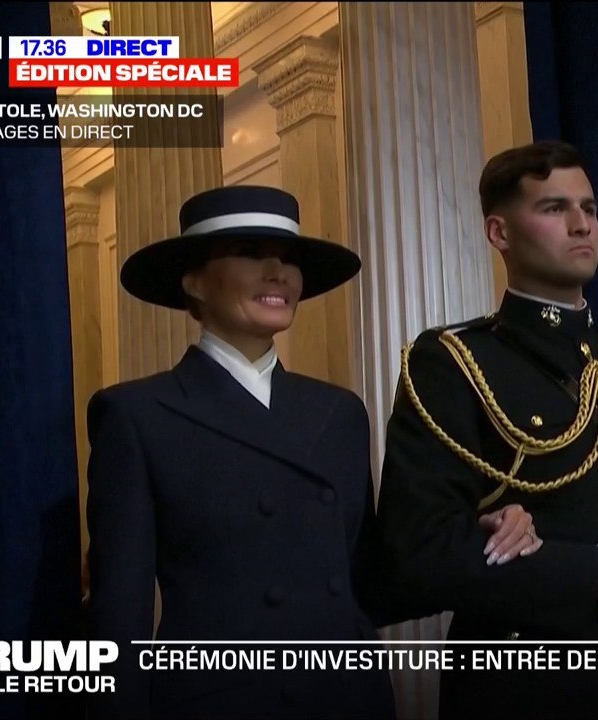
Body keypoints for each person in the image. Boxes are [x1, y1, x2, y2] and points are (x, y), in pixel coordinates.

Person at [84, 185, 542, 720]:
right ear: (193, 280)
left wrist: (471, 535)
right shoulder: (137, 414)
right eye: (251, 253)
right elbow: (119, 623)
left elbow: (372, 581)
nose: (278, 272)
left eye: (290, 259)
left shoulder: (338, 412)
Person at [378, 141, 598, 719]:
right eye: (555, 208)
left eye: (589, 208)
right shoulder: (455, 364)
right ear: (499, 232)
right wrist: (596, 573)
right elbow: (414, 558)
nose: (582, 224)